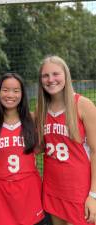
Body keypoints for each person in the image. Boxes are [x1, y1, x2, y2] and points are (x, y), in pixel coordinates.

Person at [36, 55, 96, 225]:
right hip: (53, 188)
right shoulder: (41, 109)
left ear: (66, 75)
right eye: (45, 76)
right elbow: (39, 147)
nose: (51, 79)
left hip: (79, 191)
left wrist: (94, 195)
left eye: (56, 74)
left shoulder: (83, 105)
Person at [0, 73, 44, 225]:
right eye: (5, 90)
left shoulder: (32, 118)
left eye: (16, 90)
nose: (10, 95)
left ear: (22, 94)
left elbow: (42, 146)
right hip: (0, 190)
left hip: (28, 188)